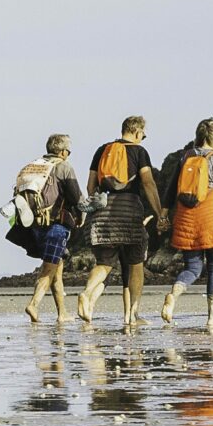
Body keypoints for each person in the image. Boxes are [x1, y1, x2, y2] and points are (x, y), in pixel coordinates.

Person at [78, 116, 170, 328]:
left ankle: (86, 293)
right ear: (138, 132)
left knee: (104, 263)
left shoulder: (102, 150)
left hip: (102, 213)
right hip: (128, 211)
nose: (143, 138)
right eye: (143, 135)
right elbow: (148, 183)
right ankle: (133, 316)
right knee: (135, 263)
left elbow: (91, 186)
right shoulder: (139, 152)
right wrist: (160, 214)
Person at [160, 118, 213, 331]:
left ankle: (173, 295)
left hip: (186, 218)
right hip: (211, 218)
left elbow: (171, 190)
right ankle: (212, 318)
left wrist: (163, 215)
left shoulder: (185, 157)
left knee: (192, 267)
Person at [23, 134, 87, 324]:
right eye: (68, 150)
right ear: (62, 151)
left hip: (35, 225)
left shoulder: (36, 166)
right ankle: (33, 304)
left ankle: (62, 314)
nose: (68, 154)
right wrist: (81, 216)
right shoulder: (63, 166)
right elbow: (77, 197)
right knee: (49, 268)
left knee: (56, 268)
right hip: (56, 226)